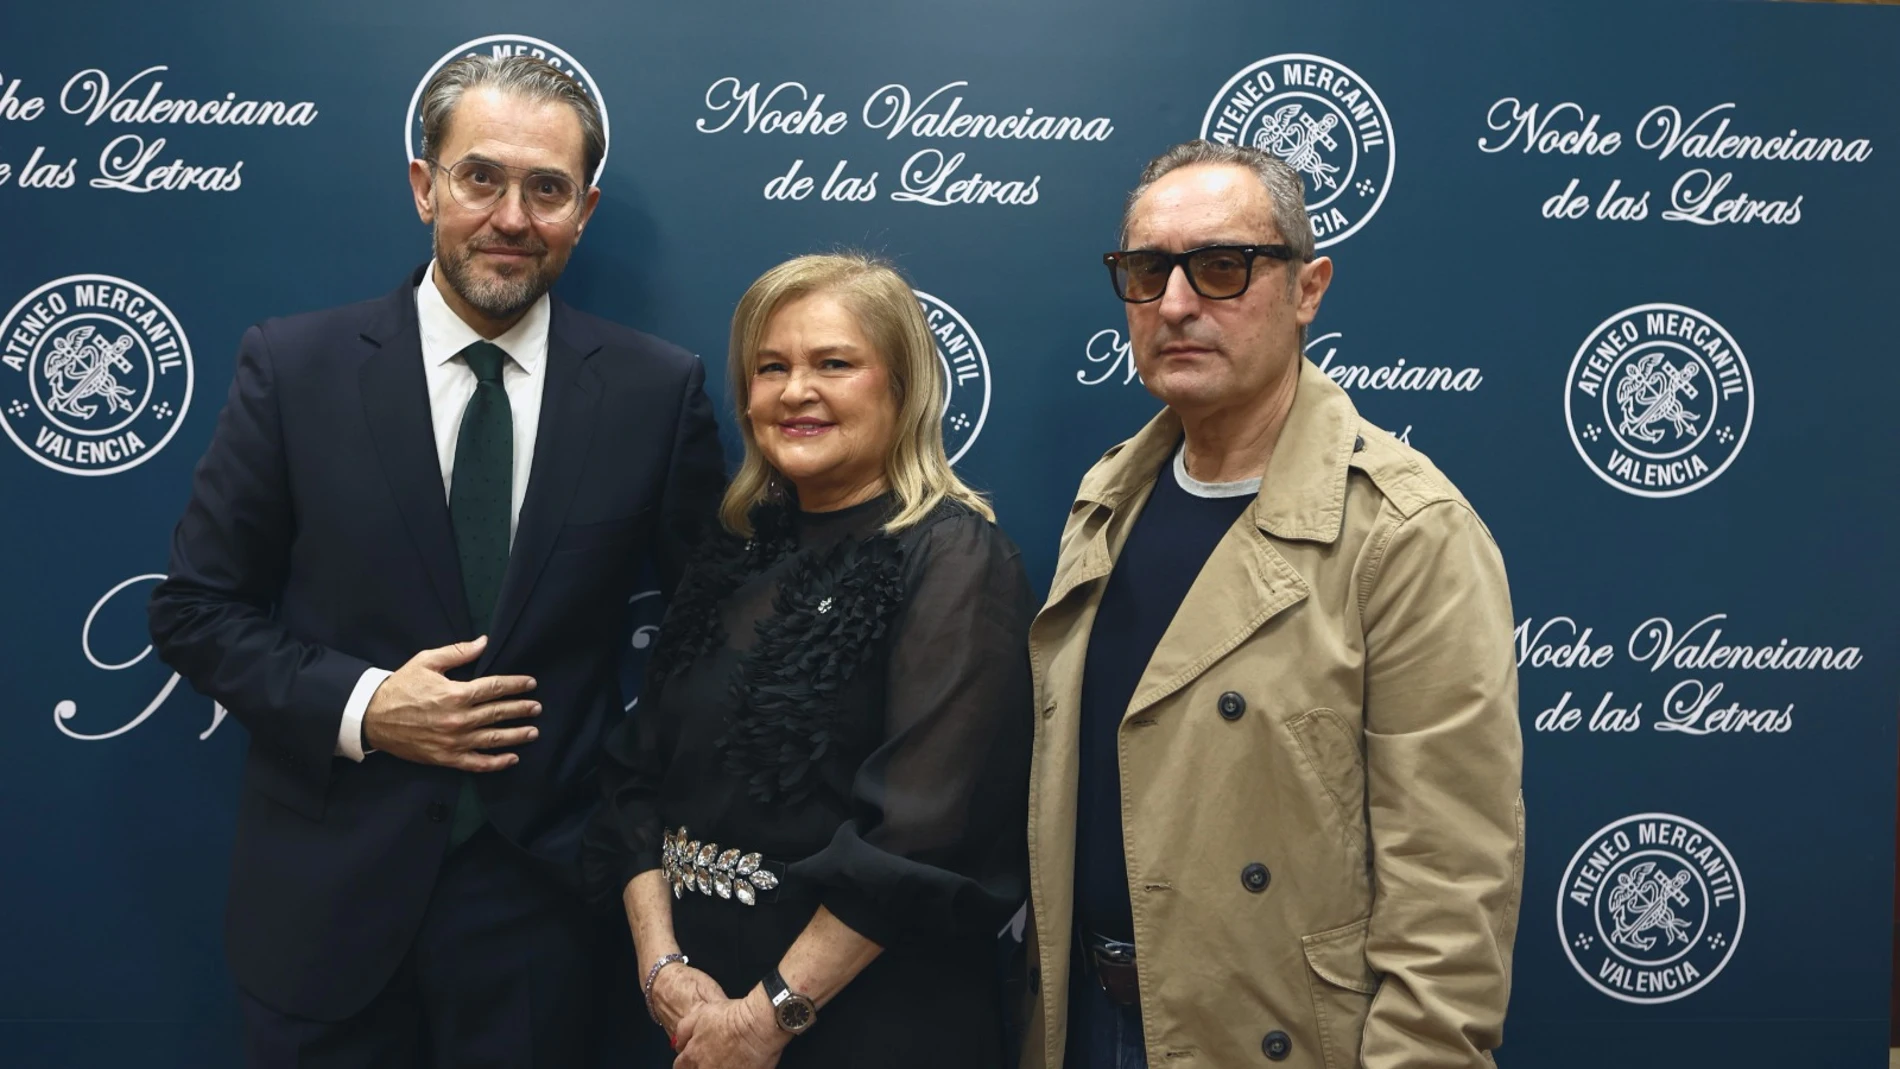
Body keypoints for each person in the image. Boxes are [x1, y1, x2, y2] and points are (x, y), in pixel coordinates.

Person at [146, 54, 724, 1067]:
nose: (512, 216)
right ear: (425, 187)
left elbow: (708, 636)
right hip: (322, 910)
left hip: (545, 918)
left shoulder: (654, 392)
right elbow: (196, 611)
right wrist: (367, 704)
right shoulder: (294, 368)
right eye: (480, 177)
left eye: (547, 188)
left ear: (584, 211)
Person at [1020, 140, 1524, 1069]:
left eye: (1222, 266)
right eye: (1147, 271)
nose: (1176, 304)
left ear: (1307, 289)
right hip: (1082, 1020)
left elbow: (1451, 888)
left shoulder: (1407, 532)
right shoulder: (1107, 496)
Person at [583, 252, 1034, 1069]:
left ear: (902, 387)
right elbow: (632, 780)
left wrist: (764, 1021)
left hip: (869, 1025)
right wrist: (662, 968)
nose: (796, 391)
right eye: (771, 367)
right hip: (686, 1021)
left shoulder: (956, 557)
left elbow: (922, 834)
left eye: (833, 363)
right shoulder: (731, 552)